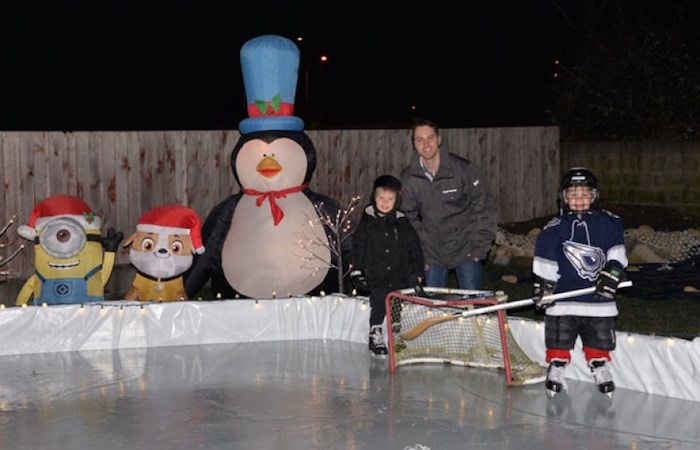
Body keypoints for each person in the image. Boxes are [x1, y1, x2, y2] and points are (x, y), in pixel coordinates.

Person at [532, 167, 628, 398]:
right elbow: (545, 259)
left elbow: (617, 253)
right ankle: (556, 368)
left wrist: (612, 274)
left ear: (594, 196)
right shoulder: (554, 228)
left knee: (598, 336)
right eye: (573, 195)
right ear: (564, 198)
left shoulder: (609, 223)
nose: (579, 200)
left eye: (584, 194)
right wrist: (544, 286)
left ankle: (599, 366)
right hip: (564, 298)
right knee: (559, 336)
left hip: (598, 299)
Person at [399, 117, 498, 290]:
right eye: (419, 140)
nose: (426, 144)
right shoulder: (409, 179)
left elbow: (485, 208)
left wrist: (480, 248)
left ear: (439, 139)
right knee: (436, 310)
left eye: (430, 138)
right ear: (414, 144)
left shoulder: (464, 170)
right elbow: (407, 219)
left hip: (466, 249)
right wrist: (418, 254)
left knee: (470, 308)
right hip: (432, 254)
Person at [350, 175, 424, 356]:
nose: (385, 202)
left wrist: (417, 271)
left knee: (397, 306)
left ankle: (396, 336)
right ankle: (375, 335)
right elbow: (358, 247)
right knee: (379, 305)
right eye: (381, 198)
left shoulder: (402, 222)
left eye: (390, 199)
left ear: (396, 201)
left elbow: (414, 248)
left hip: (400, 274)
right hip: (377, 274)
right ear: (374, 199)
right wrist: (357, 270)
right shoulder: (367, 222)